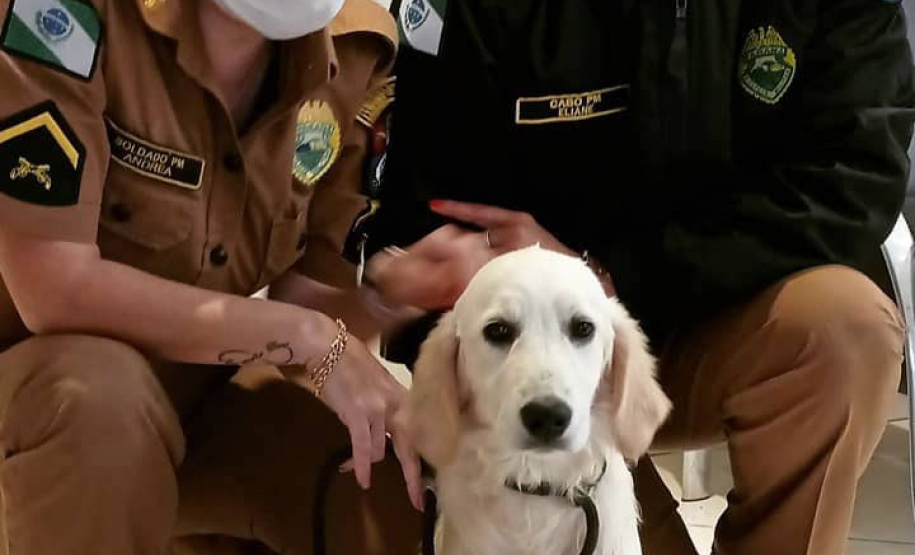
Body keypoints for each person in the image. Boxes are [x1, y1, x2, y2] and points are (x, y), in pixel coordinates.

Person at [321, 0, 915, 554]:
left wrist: (602, 275)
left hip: (729, 321)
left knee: (847, 330)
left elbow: (852, 184)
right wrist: (427, 276)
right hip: (536, 351)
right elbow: (418, 217)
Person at [0, 0, 424, 553]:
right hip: (39, 391)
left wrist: (394, 294)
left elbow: (312, 302)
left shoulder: (355, 46)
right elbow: (53, 290)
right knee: (99, 408)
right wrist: (305, 337)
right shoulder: (65, 14)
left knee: (379, 456)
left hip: (202, 386)